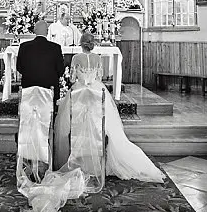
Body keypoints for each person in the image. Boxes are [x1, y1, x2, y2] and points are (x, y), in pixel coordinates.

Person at [70, 31, 164, 182]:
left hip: (80, 92)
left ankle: (80, 155)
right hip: (96, 92)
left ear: (81, 43)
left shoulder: (76, 58)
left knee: (78, 120)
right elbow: (99, 77)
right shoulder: (97, 58)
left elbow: (71, 77)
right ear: (92, 44)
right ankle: (100, 154)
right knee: (102, 123)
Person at [15, 19, 65, 105]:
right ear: (47, 32)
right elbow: (60, 70)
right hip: (49, 87)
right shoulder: (55, 48)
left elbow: (19, 67)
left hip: (29, 86)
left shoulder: (24, 47)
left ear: (34, 31)